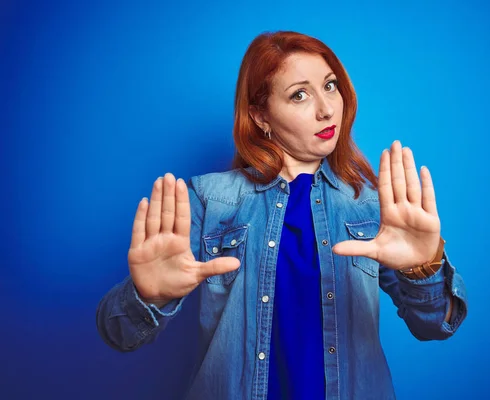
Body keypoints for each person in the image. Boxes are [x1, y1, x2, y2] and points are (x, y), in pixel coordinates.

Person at [96, 30, 468, 400]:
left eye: (330, 86)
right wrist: (148, 295)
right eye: (299, 95)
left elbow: (436, 326)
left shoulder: (372, 203)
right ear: (261, 116)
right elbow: (118, 335)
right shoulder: (209, 200)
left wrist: (425, 268)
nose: (326, 108)